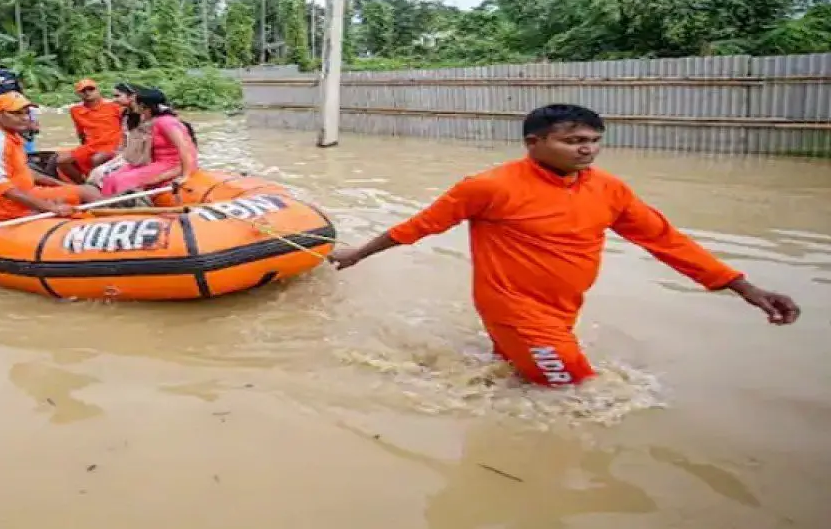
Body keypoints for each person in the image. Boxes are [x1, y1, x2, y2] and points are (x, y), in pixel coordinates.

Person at [327, 104, 801, 387]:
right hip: (514, 306)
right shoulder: (489, 187)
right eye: (573, 140)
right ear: (534, 143)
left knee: (518, 376)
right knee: (575, 390)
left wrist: (744, 287)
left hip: (564, 306)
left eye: (594, 140)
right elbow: (421, 226)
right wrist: (356, 253)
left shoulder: (608, 189)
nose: (586, 149)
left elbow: (665, 240)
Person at [0, 91, 102, 221]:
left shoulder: (11, 135)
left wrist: (64, 186)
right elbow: (2, 188)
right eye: (16, 113)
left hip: (25, 192)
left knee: (87, 190)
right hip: (1, 205)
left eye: (26, 113)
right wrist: (51, 208)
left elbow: (28, 173)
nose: (24, 118)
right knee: (86, 195)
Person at [99, 87, 199, 197]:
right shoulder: (147, 120)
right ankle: (103, 206)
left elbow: (183, 147)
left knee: (122, 180)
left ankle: (126, 209)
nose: (132, 104)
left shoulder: (166, 122)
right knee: (110, 179)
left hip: (173, 164)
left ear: (143, 106)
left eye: (134, 102)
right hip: (156, 162)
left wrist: (185, 175)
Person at [56, 79, 127, 183]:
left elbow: (128, 125)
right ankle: (82, 183)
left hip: (111, 143)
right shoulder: (75, 110)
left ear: (97, 90)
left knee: (96, 159)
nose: (87, 92)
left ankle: (97, 185)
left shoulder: (114, 106)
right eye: (83, 91)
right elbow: (79, 132)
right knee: (61, 160)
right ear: (79, 94)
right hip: (91, 144)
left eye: (91, 89)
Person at [86, 83, 142, 186]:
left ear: (132, 96)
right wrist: (118, 153)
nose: (114, 100)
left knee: (100, 174)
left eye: (117, 96)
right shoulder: (125, 114)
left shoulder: (144, 115)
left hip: (140, 157)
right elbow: (125, 139)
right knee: (95, 174)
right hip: (125, 154)